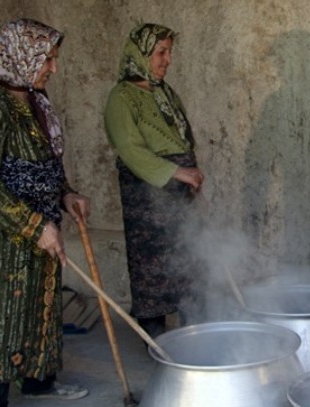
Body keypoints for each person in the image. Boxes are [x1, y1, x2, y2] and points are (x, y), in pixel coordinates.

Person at [0, 18, 90, 407]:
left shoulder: (36, 100)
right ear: (20, 55)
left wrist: (67, 195)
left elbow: (46, 161)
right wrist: (34, 225)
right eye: (47, 59)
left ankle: (38, 382)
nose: (52, 68)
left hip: (40, 228)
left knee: (40, 307)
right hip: (0, 233)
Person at [104, 23, 204, 338]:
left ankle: (193, 327)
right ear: (141, 53)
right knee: (152, 260)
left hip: (180, 184)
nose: (168, 60)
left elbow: (181, 138)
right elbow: (130, 149)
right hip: (147, 192)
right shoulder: (122, 97)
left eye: (169, 52)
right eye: (161, 52)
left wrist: (192, 172)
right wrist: (176, 171)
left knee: (187, 252)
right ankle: (154, 333)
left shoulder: (164, 93)